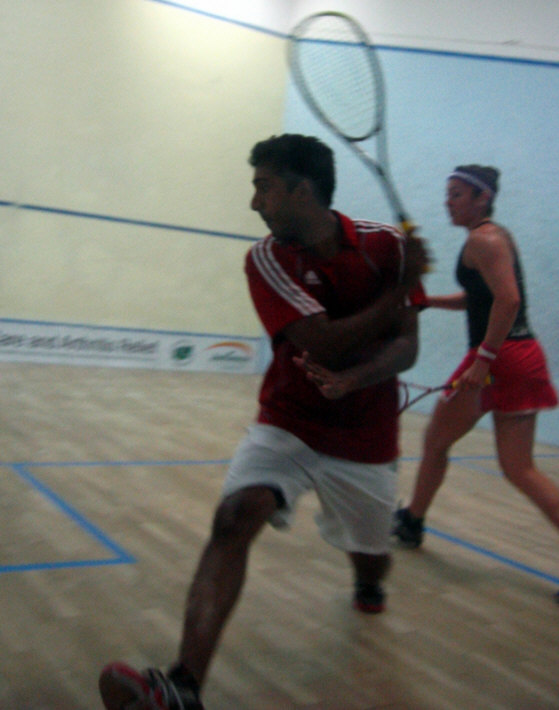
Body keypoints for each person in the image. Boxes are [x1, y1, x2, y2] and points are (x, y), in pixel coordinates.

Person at [98, 134, 428, 710]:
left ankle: (369, 578)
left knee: (372, 556)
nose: (254, 202)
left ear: (302, 190)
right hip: (289, 423)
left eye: (263, 187)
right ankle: (182, 687)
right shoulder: (268, 259)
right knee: (234, 517)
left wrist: (356, 379)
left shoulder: (386, 246)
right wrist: (398, 291)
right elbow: (321, 343)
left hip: (367, 438)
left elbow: (408, 347)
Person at [392, 164, 559, 554]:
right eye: (447, 194)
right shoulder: (494, 236)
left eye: (456, 195)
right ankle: (412, 519)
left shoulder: (483, 240)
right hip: (522, 356)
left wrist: (483, 361)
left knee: (436, 440)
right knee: (520, 468)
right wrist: (428, 302)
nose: (447, 202)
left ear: (483, 198)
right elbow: (481, 299)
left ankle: (412, 521)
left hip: (497, 359)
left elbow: (509, 301)